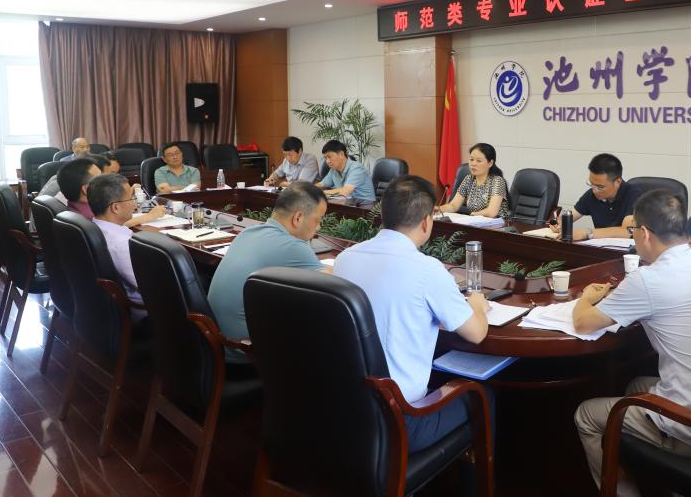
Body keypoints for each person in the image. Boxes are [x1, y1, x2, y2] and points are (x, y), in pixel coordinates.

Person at [572, 189, 691, 497]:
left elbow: (584, 323)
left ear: (644, 233)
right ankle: (654, 478)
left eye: (633, 231)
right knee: (635, 385)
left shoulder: (648, 279)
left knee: (586, 415)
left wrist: (586, 299)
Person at [334, 175, 491, 452]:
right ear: (426, 222)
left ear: (383, 215)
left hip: (347, 408)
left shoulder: (346, 258)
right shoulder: (426, 270)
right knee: (485, 395)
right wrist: (476, 303)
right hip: (401, 420)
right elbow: (477, 333)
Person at [208, 181, 328, 361]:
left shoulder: (247, 233)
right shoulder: (293, 247)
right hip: (244, 350)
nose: (319, 227)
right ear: (298, 218)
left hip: (215, 344)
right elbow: (335, 285)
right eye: (318, 220)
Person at [87, 173, 146, 319]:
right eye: (131, 198)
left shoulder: (94, 227)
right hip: (146, 310)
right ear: (115, 207)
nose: (135, 203)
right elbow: (147, 286)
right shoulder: (121, 244)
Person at [551, 153, 641, 240]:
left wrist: (586, 233)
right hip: (599, 247)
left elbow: (628, 231)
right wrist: (559, 223)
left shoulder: (634, 195)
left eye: (600, 187)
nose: (594, 190)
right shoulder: (592, 194)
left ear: (617, 182)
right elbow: (572, 214)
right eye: (591, 184)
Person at [438, 143, 509, 219]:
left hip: (496, 224)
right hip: (474, 222)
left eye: (479, 161)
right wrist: (437, 209)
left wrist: (472, 215)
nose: (473, 164)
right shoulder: (469, 179)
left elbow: (492, 212)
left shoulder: (497, 181)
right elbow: (453, 206)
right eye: (471, 159)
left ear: (490, 163)